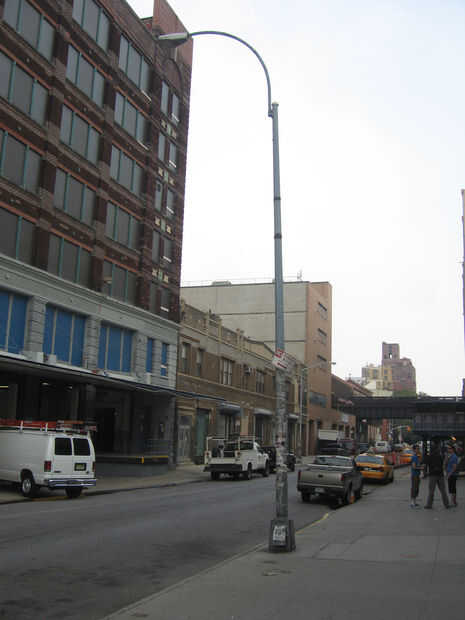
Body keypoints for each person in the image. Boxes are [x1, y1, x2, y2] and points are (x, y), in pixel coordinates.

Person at [423, 442, 449, 509]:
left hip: (432, 475)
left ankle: (429, 505)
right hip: (440, 475)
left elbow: (425, 465)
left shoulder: (429, 457)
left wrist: (425, 473)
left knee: (431, 491)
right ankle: (446, 504)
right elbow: (444, 464)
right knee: (443, 490)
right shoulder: (440, 456)